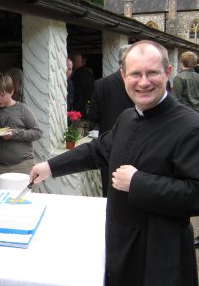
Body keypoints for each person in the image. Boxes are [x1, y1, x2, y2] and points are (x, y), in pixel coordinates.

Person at [30, 40, 199, 286]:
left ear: (168, 72)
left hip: (160, 253)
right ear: (123, 76)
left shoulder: (190, 126)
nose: (143, 82)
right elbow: (97, 150)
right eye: (135, 74)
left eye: (152, 72)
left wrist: (138, 183)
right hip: (120, 239)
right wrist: (50, 167)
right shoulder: (128, 117)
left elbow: (196, 193)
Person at [0, 73, 43, 190]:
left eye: (2, 95)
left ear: (12, 91)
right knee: (5, 203)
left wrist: (15, 134)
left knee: (29, 201)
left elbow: (38, 132)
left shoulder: (22, 109)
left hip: (23, 165)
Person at [89, 44, 134, 197]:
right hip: (137, 145)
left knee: (110, 191)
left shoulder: (101, 84)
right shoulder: (144, 85)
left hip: (109, 146)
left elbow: (93, 115)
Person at [70, 52, 95, 119]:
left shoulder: (77, 75)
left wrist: (74, 109)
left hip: (80, 110)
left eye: (73, 61)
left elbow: (77, 94)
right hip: (89, 107)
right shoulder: (89, 74)